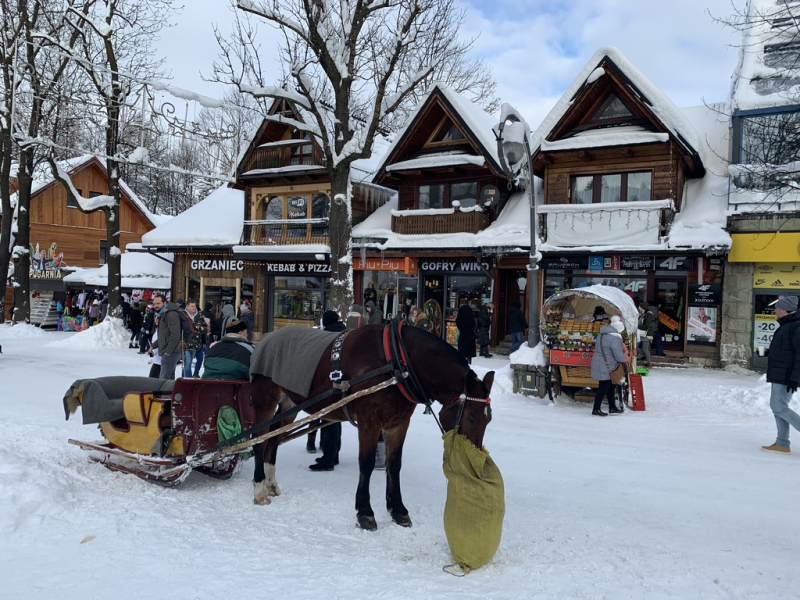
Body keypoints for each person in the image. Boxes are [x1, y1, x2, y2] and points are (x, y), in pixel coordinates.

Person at [761, 296, 800, 454]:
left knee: (779, 407)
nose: (774, 310)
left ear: (784, 310)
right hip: (780, 373)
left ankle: (783, 442)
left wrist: (795, 377)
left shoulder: (795, 326)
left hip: (787, 375)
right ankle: (782, 443)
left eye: (777, 307)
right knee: (778, 408)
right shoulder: (787, 325)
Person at [309, 310, 346, 471]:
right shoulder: (345, 333)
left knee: (328, 419)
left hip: (329, 381)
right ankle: (334, 455)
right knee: (335, 419)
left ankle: (328, 458)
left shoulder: (327, 336)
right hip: (344, 380)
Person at [590, 316, 627, 416]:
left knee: (611, 386)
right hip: (607, 366)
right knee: (603, 388)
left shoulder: (602, 334)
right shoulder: (615, 338)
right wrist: (626, 355)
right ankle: (596, 409)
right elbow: (619, 357)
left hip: (601, 363)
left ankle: (612, 407)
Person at [153, 293, 181, 380]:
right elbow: (164, 335)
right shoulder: (163, 314)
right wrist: (153, 346)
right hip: (168, 350)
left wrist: (168, 351)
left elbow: (175, 334)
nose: (156, 306)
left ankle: (164, 393)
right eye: (154, 304)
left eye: (158, 304)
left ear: (165, 303)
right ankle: (170, 392)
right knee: (169, 377)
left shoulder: (171, 314)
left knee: (163, 379)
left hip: (171, 351)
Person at [181, 300, 206, 378]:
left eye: (195, 306)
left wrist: (204, 329)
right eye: (192, 306)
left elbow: (205, 328)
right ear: (187, 307)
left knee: (196, 360)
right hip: (186, 343)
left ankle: (190, 375)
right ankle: (188, 379)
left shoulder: (199, 316)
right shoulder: (182, 316)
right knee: (187, 363)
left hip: (196, 343)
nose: (194, 308)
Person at [456, 299, 477, 364]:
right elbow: (479, 324)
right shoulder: (472, 320)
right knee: (469, 355)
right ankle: (469, 365)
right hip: (471, 337)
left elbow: (459, 325)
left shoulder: (459, 320)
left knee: (462, 353)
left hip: (462, 337)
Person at [637, 301, 654, 367]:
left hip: (646, 334)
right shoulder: (641, 314)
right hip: (640, 333)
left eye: (640, 308)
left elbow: (646, 326)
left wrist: (637, 326)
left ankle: (649, 362)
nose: (639, 309)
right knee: (636, 346)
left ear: (643, 308)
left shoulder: (648, 315)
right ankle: (642, 355)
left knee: (645, 349)